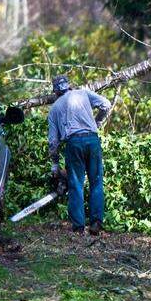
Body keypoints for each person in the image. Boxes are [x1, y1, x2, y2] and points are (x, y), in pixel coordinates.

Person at [47, 74, 111, 235]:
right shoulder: (83, 93)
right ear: (69, 86)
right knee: (96, 182)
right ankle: (96, 223)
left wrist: (55, 165)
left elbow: (53, 142)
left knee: (76, 184)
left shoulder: (54, 108)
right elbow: (106, 104)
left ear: (55, 91)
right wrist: (97, 122)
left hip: (73, 143)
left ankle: (79, 227)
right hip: (92, 140)